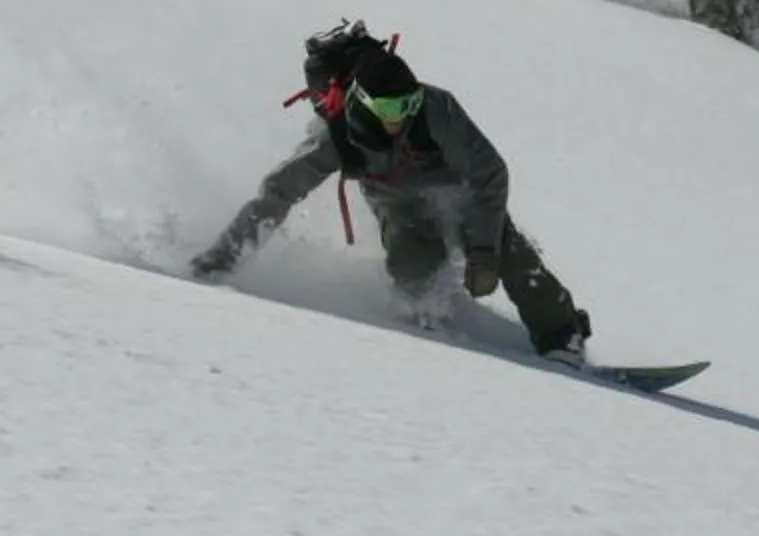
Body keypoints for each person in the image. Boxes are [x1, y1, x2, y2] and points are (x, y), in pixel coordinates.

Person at [190, 19, 594, 363]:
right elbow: (278, 192)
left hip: (459, 193)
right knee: (412, 265)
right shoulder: (337, 138)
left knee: (507, 250)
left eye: (408, 104)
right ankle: (435, 328)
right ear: (364, 104)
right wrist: (222, 257)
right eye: (390, 110)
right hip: (396, 203)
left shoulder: (437, 109)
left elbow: (490, 173)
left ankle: (562, 335)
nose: (402, 118)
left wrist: (484, 250)